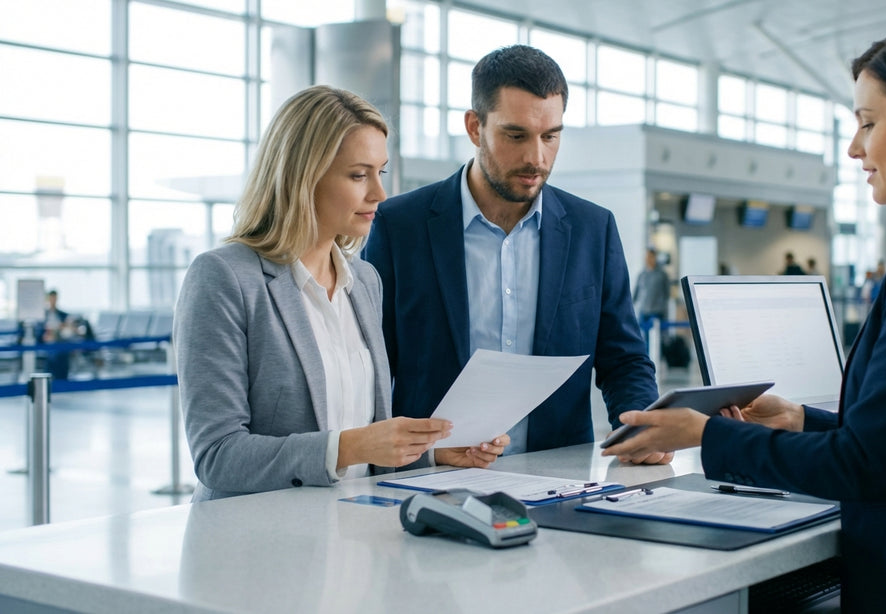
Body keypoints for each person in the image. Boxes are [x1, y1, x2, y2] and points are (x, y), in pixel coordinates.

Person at [603, 19, 886, 613]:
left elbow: (866, 467)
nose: (855, 148)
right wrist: (801, 419)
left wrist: (709, 435)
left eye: (869, 123)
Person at [364, 45, 666, 465]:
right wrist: (410, 456)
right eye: (516, 135)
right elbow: (371, 368)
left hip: (558, 479)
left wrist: (641, 426)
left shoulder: (592, 229)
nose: (535, 158)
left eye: (550, 136)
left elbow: (624, 358)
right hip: (428, 479)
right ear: (475, 127)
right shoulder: (401, 225)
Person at [174, 85, 468, 502]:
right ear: (302, 176)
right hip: (257, 546)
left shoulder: (364, 281)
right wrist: (351, 446)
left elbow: (369, 455)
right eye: (357, 175)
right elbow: (218, 456)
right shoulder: (224, 278)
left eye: (380, 173)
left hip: (353, 535)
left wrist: (432, 453)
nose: (379, 194)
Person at [633, 248, 670, 327]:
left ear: (655, 257)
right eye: (646, 257)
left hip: (657, 312)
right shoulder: (642, 274)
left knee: (656, 337)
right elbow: (636, 293)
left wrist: (662, 307)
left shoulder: (662, 275)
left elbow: (667, 293)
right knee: (644, 336)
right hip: (643, 311)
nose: (648, 259)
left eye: (650, 256)